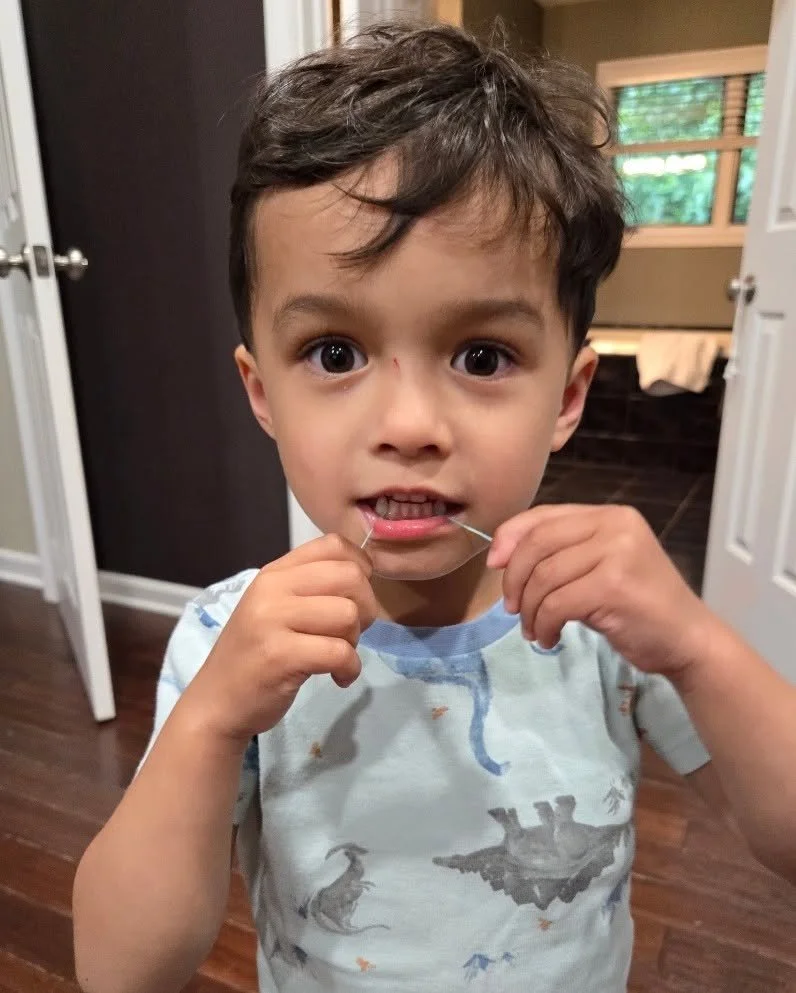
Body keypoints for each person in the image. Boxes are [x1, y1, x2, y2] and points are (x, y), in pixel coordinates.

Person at [72, 21, 796, 993]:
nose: (409, 424)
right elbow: (119, 972)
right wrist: (206, 727)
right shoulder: (225, 642)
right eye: (335, 353)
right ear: (261, 394)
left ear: (568, 398)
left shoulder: (600, 630)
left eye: (482, 357)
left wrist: (697, 647)